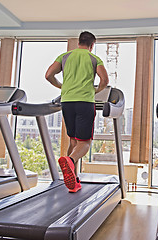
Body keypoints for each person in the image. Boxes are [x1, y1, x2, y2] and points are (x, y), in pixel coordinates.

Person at [45, 31, 109, 192]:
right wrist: (96, 90)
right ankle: (70, 160)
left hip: (67, 101)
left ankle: (73, 181)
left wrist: (61, 86)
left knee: (73, 140)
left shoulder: (65, 56)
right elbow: (104, 80)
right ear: (92, 45)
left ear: (79, 42)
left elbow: (48, 75)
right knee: (85, 142)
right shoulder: (94, 59)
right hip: (85, 102)